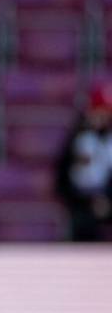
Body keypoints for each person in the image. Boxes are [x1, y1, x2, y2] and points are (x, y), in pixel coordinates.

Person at [55, 81, 112, 242]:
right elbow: (64, 174)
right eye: (99, 112)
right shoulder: (79, 138)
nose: (103, 118)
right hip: (82, 203)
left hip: (106, 198)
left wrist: (106, 198)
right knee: (84, 227)